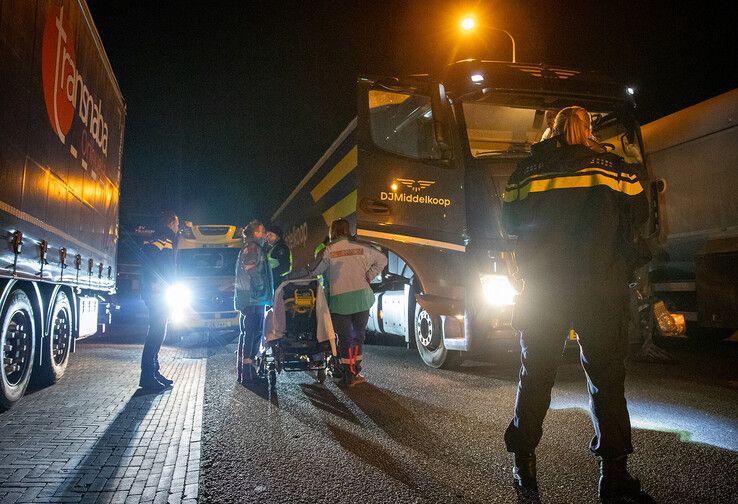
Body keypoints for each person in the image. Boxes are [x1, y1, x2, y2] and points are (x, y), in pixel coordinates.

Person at [501, 106, 648, 501]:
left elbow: (510, 223)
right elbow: (641, 217)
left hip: (545, 289)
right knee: (606, 379)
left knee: (536, 376)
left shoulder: (528, 172)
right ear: (589, 130)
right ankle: (613, 477)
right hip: (601, 287)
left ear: (554, 130)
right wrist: (626, 267)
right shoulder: (616, 168)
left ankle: (524, 467)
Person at [304, 219, 387, 387]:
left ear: (332, 232)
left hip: (340, 302)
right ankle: (355, 370)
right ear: (348, 230)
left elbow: (316, 271)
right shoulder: (362, 248)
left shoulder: (329, 250)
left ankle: (347, 375)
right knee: (359, 336)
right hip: (362, 299)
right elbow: (383, 260)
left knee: (345, 339)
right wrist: (369, 275)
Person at [139, 210, 179, 391]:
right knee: (155, 333)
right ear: (171, 223)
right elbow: (146, 258)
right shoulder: (162, 239)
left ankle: (154, 372)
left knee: (159, 332)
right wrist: (154, 282)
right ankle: (147, 376)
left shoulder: (166, 239)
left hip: (162, 292)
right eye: (177, 224)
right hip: (156, 293)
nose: (178, 228)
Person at [235, 220, 273, 383]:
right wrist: (260, 285)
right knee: (252, 332)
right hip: (253, 296)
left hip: (252, 297)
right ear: (255, 233)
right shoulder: (252, 247)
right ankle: (247, 372)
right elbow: (250, 267)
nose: (264, 234)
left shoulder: (254, 247)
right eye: (262, 231)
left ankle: (246, 370)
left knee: (250, 332)